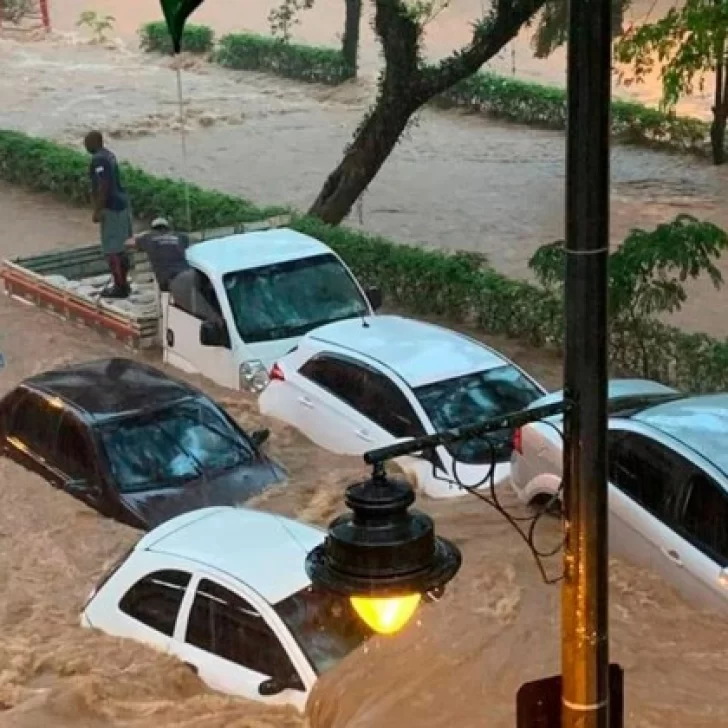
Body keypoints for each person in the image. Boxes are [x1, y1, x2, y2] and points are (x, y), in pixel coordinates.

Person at [84, 130, 133, 299]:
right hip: (122, 204)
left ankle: (120, 287)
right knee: (122, 247)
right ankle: (123, 283)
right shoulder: (109, 155)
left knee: (112, 250)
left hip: (112, 208)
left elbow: (103, 185)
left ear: (95, 142)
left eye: (87, 143)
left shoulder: (98, 159)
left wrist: (98, 209)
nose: (85, 146)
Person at [125, 217, 191, 292]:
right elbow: (187, 242)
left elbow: (128, 243)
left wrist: (141, 235)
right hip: (187, 273)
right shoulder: (180, 236)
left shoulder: (148, 237)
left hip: (165, 278)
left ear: (152, 228)